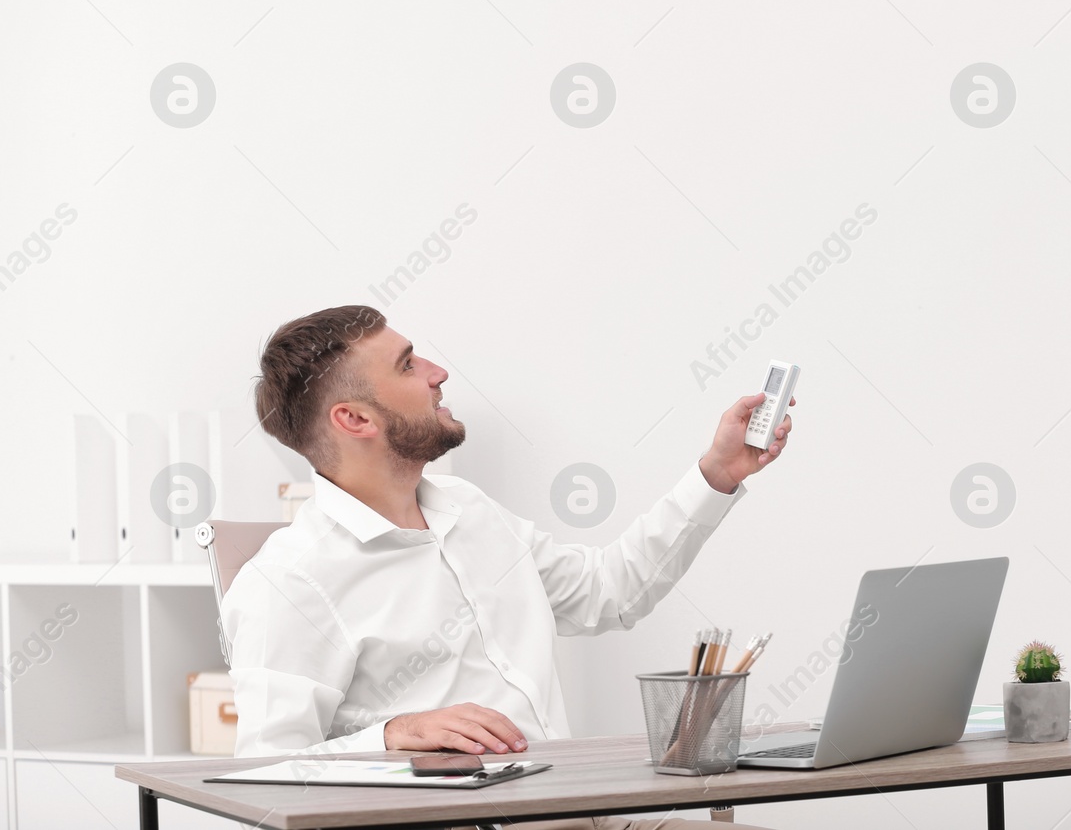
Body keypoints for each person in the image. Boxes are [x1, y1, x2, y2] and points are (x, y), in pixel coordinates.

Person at [223, 305, 791, 830]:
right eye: (408, 365)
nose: (437, 371)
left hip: (577, 811)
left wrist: (718, 473)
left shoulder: (469, 510)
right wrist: (391, 736)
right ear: (353, 418)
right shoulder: (290, 581)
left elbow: (608, 594)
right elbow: (267, 775)